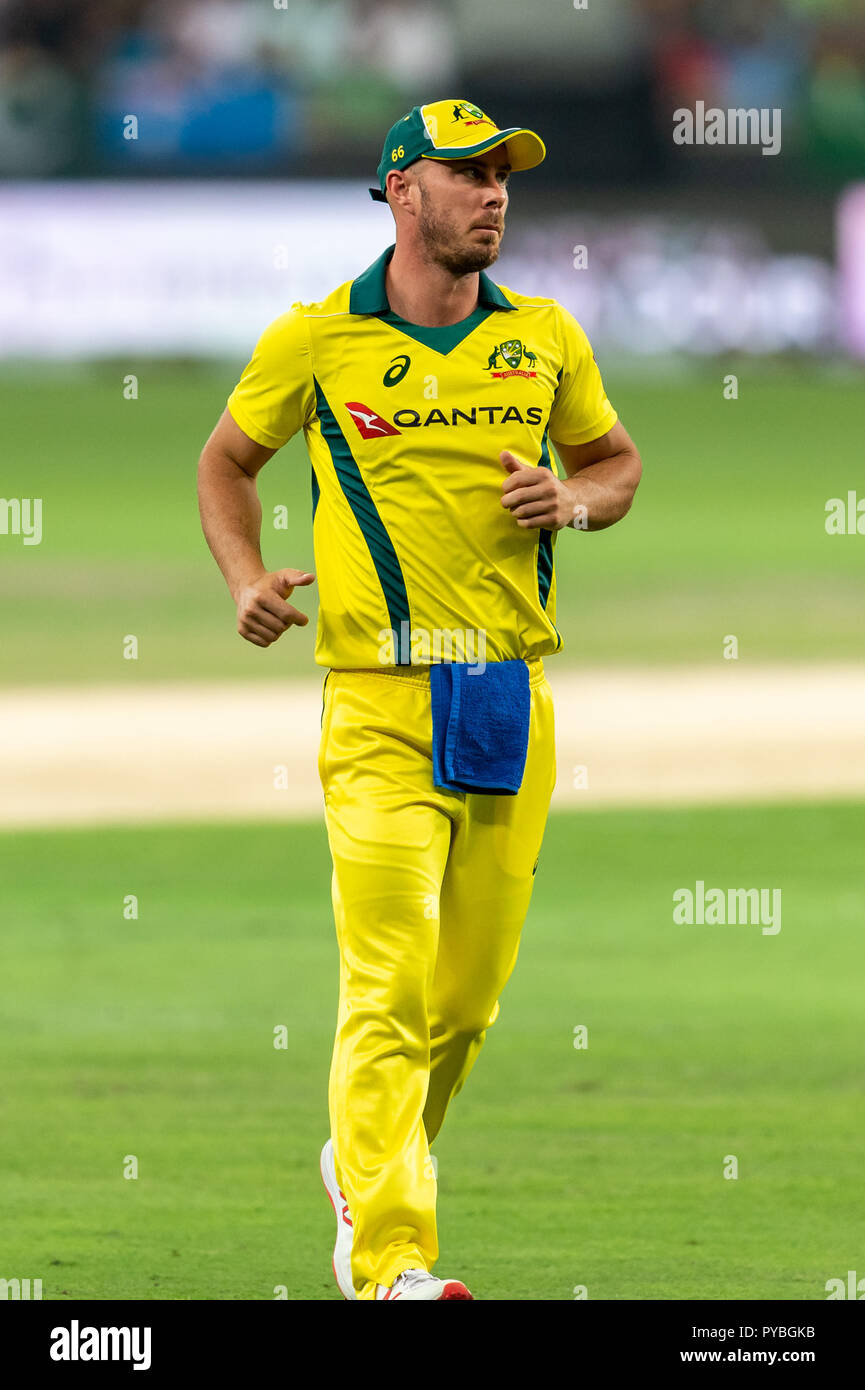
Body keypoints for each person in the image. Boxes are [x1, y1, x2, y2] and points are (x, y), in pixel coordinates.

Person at [197, 98, 642, 1301]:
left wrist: (578, 503)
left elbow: (614, 463)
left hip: (506, 696)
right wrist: (246, 576)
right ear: (402, 192)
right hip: (378, 701)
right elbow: (226, 460)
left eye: (504, 177)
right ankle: (392, 1258)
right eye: (469, 175)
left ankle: (360, 1154)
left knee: (465, 1001)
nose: (495, 194)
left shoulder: (543, 335)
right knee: (386, 983)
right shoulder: (319, 338)